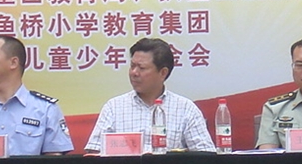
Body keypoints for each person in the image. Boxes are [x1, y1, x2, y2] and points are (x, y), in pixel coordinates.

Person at [85, 38, 215, 153]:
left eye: (141, 68)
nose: (134, 73)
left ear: (163, 73)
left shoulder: (186, 109)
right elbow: (94, 151)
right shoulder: (114, 107)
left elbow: (205, 155)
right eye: (132, 66)